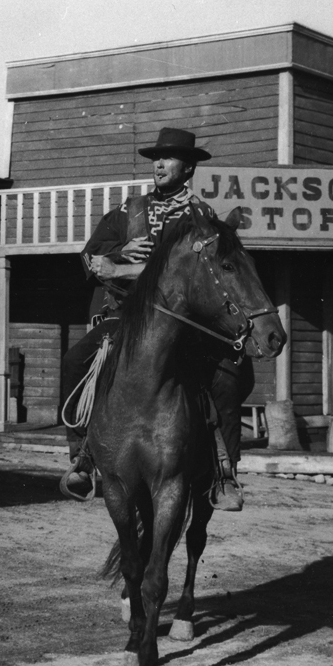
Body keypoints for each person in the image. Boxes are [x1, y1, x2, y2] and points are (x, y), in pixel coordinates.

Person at [60, 127, 255, 511]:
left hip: (181, 322)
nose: (160, 164)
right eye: (156, 159)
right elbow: (89, 259)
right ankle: (82, 455)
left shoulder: (201, 217)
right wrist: (119, 249)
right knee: (74, 362)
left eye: (169, 159)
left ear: (188, 169)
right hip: (125, 317)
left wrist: (127, 268)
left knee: (226, 379)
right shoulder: (129, 210)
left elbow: (199, 272)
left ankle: (223, 469)